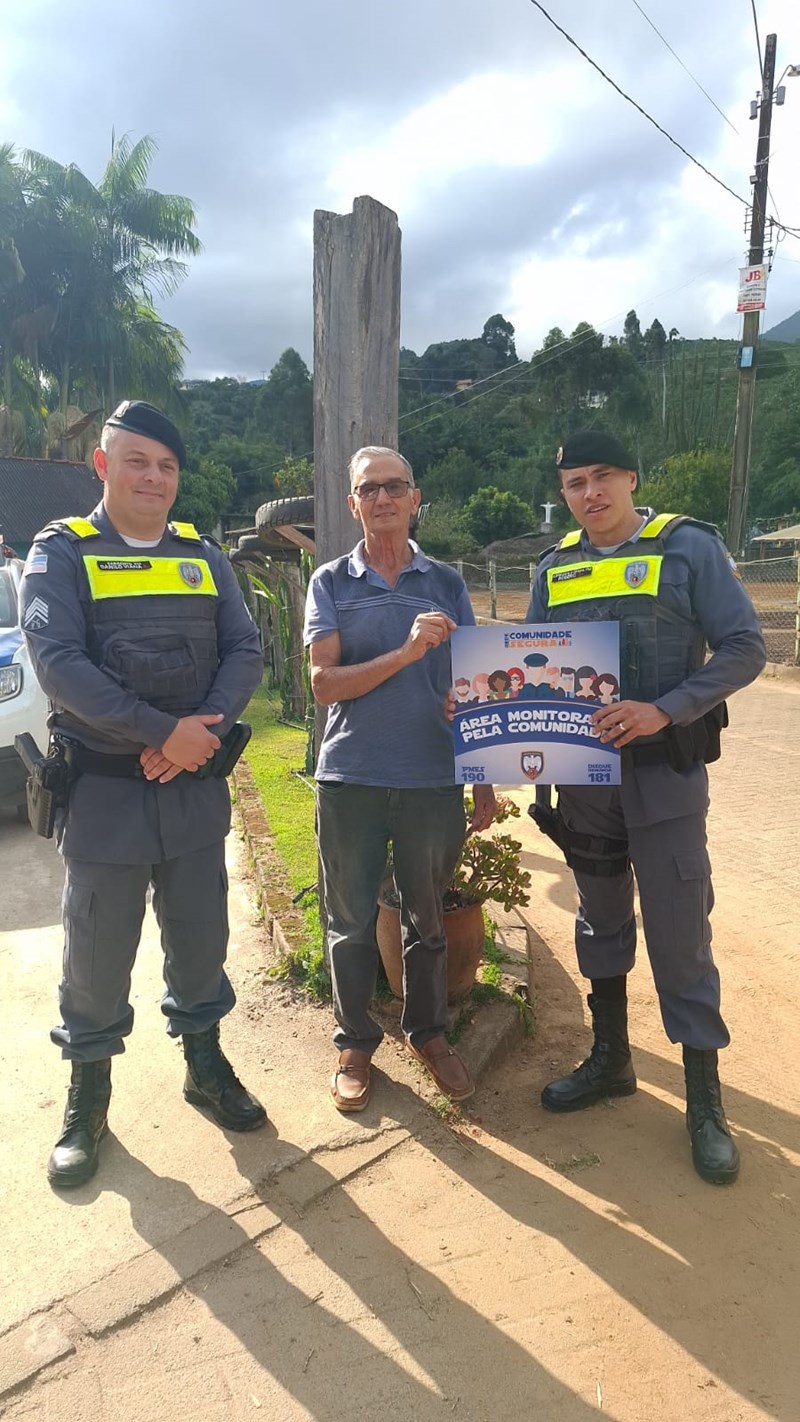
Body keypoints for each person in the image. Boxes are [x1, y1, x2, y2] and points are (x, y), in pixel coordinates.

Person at [19, 401, 267, 1189]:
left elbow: (245, 647)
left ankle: (204, 1063)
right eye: (136, 462)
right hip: (105, 795)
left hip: (193, 787)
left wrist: (206, 726)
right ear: (102, 466)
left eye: (165, 466)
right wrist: (162, 730)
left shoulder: (203, 555)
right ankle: (88, 1097)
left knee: (199, 938)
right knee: (96, 954)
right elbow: (58, 663)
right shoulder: (60, 552)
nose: (153, 478)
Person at [527, 430, 766, 1185]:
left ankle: (703, 1100)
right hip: (585, 782)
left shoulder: (687, 548)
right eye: (573, 483)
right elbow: (532, 666)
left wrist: (668, 708)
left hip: (665, 777)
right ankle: (612, 1059)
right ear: (562, 494)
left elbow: (744, 648)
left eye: (602, 477)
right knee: (599, 915)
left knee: (679, 929)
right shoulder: (554, 567)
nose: (589, 493)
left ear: (632, 478)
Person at [304, 446, 496, 1112]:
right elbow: (323, 684)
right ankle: (355, 1044)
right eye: (368, 489)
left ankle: (429, 1034)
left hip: (431, 778)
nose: (382, 498)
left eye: (394, 486)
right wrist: (407, 653)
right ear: (351, 503)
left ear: (416, 499)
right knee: (350, 919)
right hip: (351, 778)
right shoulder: (331, 583)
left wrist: (484, 780)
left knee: (428, 919)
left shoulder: (446, 581)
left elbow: (477, 685)